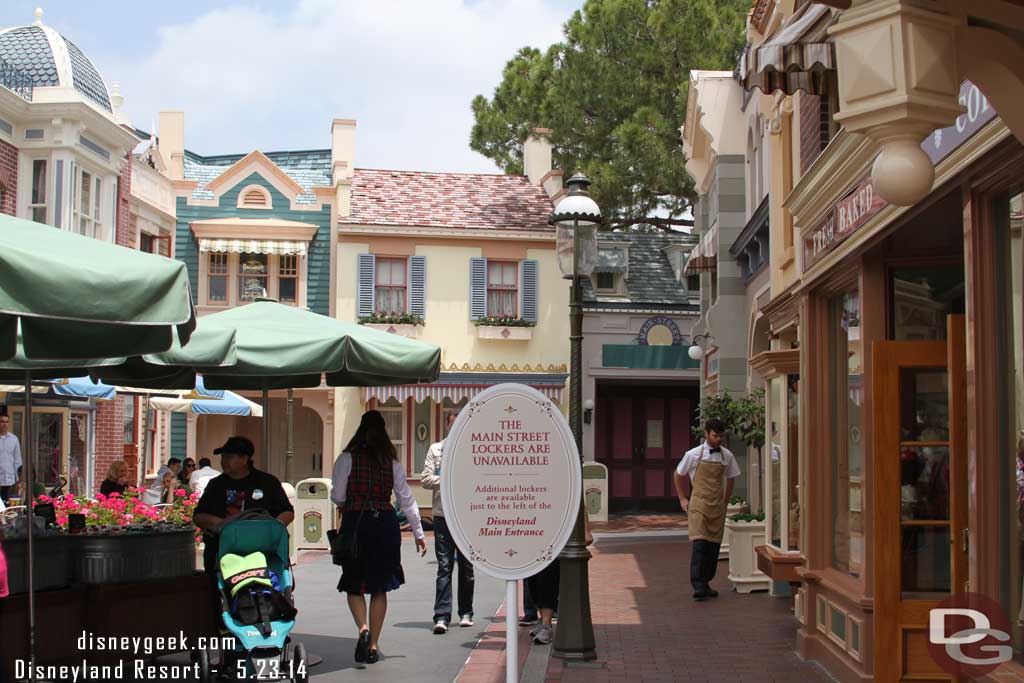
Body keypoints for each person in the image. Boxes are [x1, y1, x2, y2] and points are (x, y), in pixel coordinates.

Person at [331, 410, 427, 665]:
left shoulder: (346, 458)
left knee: (353, 583)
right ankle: (373, 645)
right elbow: (406, 499)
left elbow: (337, 496)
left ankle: (362, 628)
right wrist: (419, 533)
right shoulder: (391, 462)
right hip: (384, 524)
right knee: (380, 587)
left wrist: (351, 501)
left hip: (356, 524)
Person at [194, 437, 294, 574]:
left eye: (229, 457)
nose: (224, 461)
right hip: (222, 554)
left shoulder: (267, 482)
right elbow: (199, 516)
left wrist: (273, 527)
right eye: (223, 457)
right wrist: (223, 525)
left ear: (244, 459)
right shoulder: (216, 485)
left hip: (263, 554)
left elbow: (287, 511)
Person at [674, 418, 741, 600]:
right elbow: (678, 475)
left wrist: (725, 501)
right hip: (698, 505)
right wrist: (682, 498)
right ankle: (698, 586)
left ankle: (706, 581)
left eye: (720, 436)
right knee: (700, 544)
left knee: (713, 546)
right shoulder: (693, 454)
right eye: (715, 435)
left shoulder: (727, 455)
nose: (718, 439)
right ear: (706, 433)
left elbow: (731, 477)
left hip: (716, 506)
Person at [421, 412, 475, 633]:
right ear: (446, 425)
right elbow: (425, 479)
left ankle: (466, 612)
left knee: (467, 567)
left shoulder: (472, 448)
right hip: (442, 515)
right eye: (453, 424)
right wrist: (448, 478)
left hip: (466, 516)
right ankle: (442, 616)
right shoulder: (436, 449)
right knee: (444, 567)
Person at [0, 415, 22, 504]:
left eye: (6, 422)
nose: (4, 424)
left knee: (9, 505)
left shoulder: (14, 439)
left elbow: (17, 460)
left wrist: (18, 480)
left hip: (10, 480)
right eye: (2, 422)